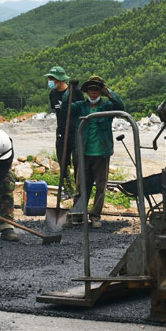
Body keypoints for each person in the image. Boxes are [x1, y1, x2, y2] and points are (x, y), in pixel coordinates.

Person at [58, 75, 125, 228]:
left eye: (96, 90)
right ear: (87, 91)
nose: (93, 93)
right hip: (84, 153)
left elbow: (121, 107)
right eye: (91, 90)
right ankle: (78, 214)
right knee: (81, 186)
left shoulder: (107, 106)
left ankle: (95, 216)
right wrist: (70, 89)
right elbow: (64, 107)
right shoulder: (81, 106)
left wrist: (108, 91)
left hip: (102, 152)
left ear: (100, 92)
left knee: (101, 186)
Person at [45, 66, 80, 193]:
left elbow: (82, 108)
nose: (49, 81)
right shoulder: (53, 94)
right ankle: (68, 189)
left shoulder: (74, 92)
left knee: (77, 161)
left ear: (59, 80)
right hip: (61, 130)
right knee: (63, 161)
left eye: (51, 78)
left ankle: (79, 190)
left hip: (75, 130)